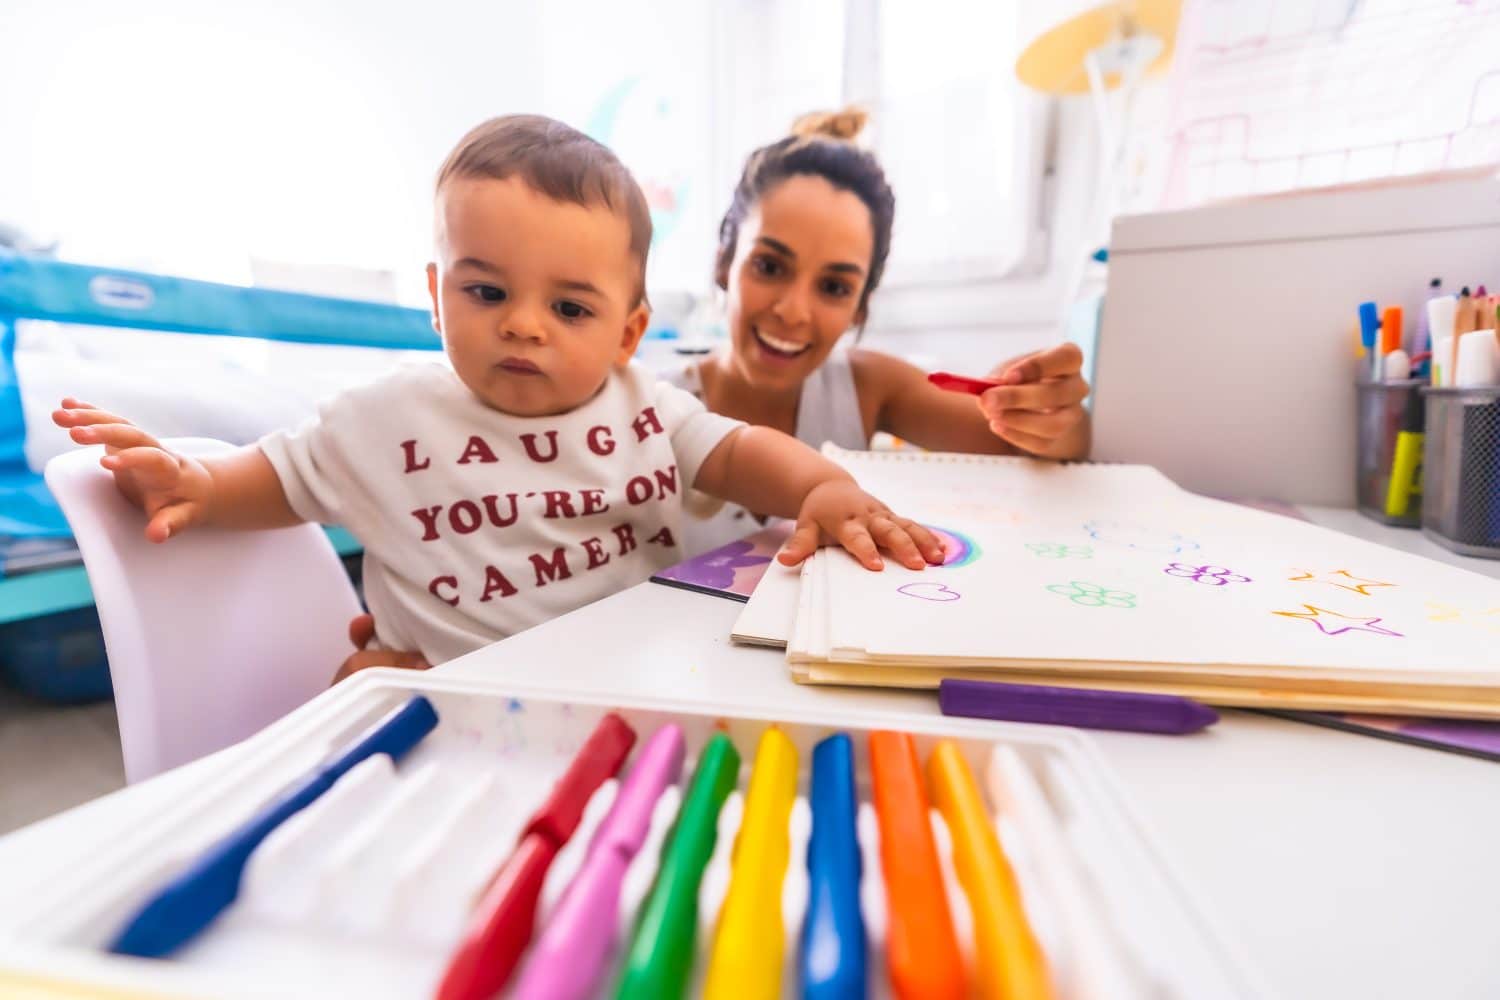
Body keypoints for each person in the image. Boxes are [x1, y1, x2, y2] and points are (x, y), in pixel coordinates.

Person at [53, 115, 942, 677]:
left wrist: (820, 489)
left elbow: (741, 452)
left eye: (567, 306)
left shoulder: (643, 405)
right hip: (452, 693)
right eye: (486, 293)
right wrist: (193, 486)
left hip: (622, 680)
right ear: (438, 298)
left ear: (628, 334)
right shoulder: (380, 417)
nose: (524, 326)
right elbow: (278, 479)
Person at [668, 108, 1091, 550]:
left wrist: (1051, 417)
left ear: (859, 307)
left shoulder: (868, 387)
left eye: (833, 286)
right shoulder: (645, 409)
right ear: (723, 263)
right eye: (769, 266)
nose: (793, 312)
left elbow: (1033, 442)